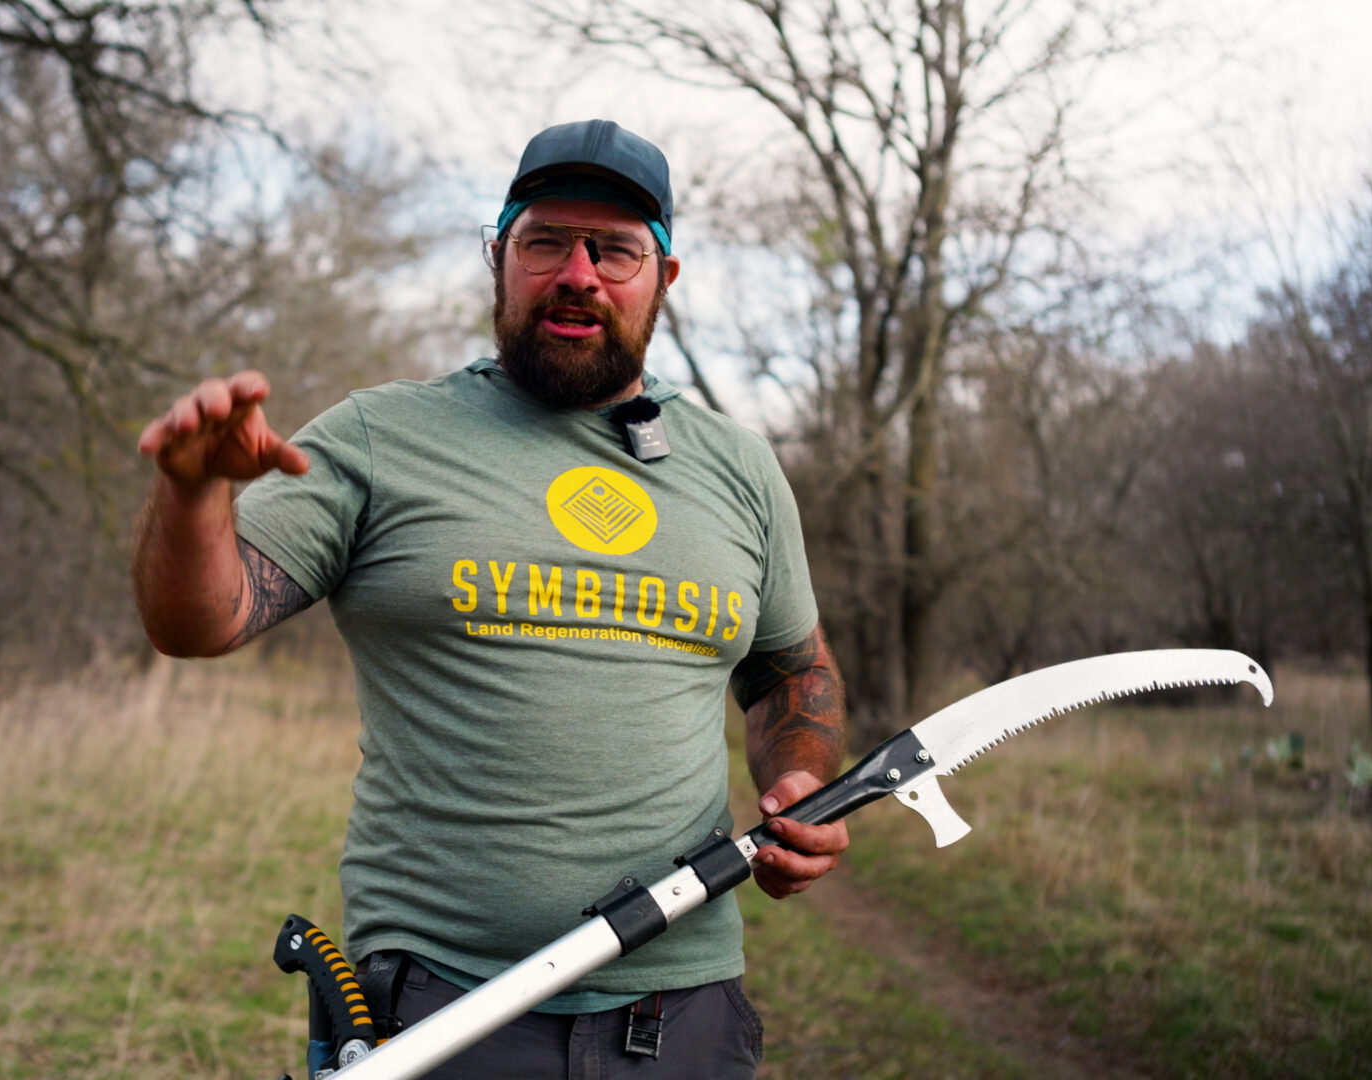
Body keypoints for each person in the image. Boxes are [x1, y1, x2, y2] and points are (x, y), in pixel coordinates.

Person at [132, 119, 850, 1078]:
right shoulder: (384, 437)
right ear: (499, 258)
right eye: (544, 240)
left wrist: (801, 782)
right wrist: (191, 494)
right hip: (445, 1009)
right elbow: (198, 622)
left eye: (616, 249)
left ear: (663, 278)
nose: (578, 273)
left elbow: (790, 673)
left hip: (681, 1011)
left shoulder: (738, 468)